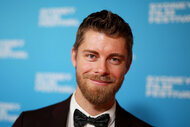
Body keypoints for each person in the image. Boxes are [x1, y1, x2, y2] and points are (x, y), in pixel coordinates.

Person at [12, 10, 152, 127]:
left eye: (114, 59)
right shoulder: (27, 123)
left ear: (127, 65)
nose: (102, 69)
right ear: (74, 57)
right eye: (92, 56)